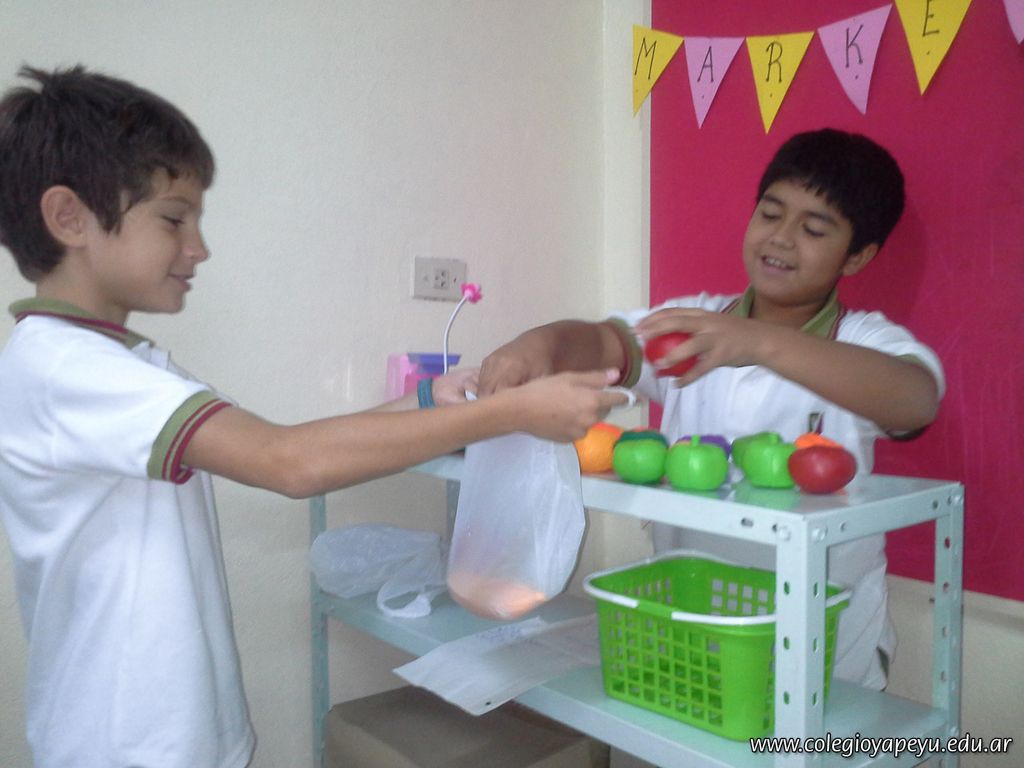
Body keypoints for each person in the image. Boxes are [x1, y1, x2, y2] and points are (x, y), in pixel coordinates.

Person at [0, 64, 627, 768]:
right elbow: (288, 463)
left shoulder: (121, 363)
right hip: (121, 743)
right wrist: (506, 414)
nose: (199, 247)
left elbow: (289, 444)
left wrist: (430, 399)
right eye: (174, 219)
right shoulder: (66, 369)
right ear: (69, 218)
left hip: (168, 731)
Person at [478, 128, 944, 691]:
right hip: (693, 640)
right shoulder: (693, 324)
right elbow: (606, 341)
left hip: (825, 651)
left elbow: (916, 399)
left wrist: (759, 342)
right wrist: (541, 343)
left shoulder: (862, 340)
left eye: (814, 229)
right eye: (770, 213)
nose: (782, 238)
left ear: (858, 256)